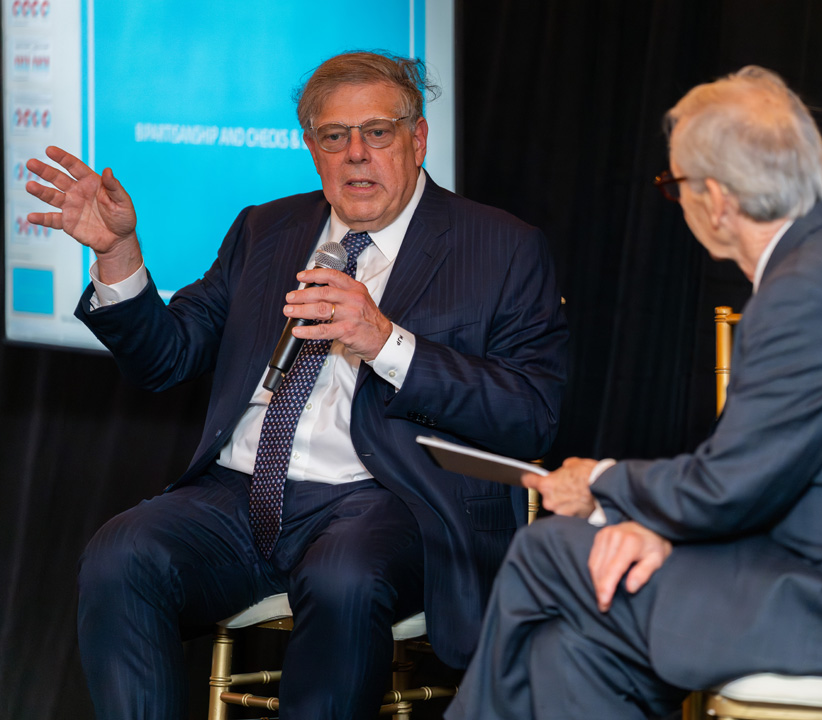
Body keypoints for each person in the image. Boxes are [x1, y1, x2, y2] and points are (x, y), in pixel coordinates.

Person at [25, 51, 567, 720]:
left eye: (379, 131)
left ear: (418, 137)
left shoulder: (502, 247)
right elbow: (167, 359)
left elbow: (532, 416)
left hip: (388, 499)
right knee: (120, 554)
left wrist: (385, 341)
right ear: (311, 147)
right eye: (334, 137)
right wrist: (117, 255)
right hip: (240, 494)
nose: (356, 155)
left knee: (342, 576)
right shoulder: (267, 228)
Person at [444, 65, 822, 720]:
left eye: (673, 185)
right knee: (571, 651)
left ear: (716, 199)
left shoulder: (805, 297)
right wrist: (655, 529)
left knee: (547, 550)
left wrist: (602, 484)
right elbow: (766, 479)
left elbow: (727, 489)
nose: (679, 200)